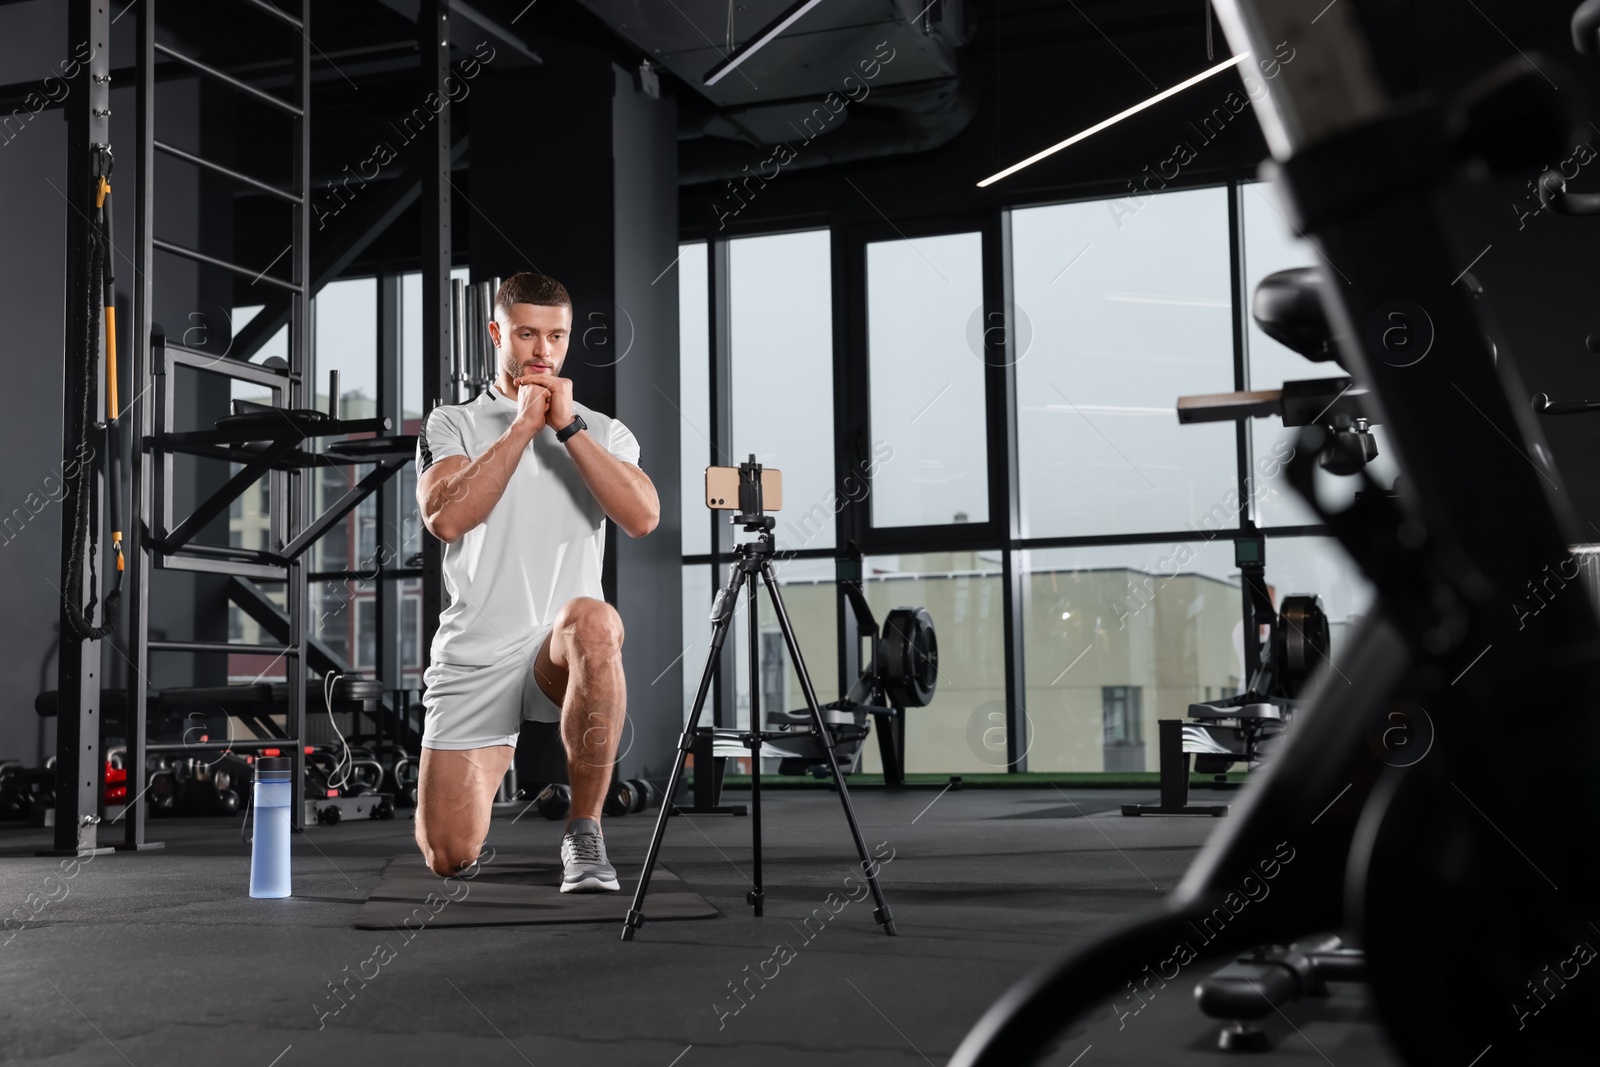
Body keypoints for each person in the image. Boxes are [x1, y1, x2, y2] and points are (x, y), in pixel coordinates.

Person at [412, 272, 659, 891]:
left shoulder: (602, 431)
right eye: (526, 334)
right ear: (498, 334)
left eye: (555, 336)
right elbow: (446, 518)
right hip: (478, 650)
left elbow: (643, 517)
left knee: (595, 620)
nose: (542, 351)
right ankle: (495, 764)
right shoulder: (453, 422)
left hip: (560, 643)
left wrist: (567, 429)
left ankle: (584, 831)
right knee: (448, 854)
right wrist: (523, 426)